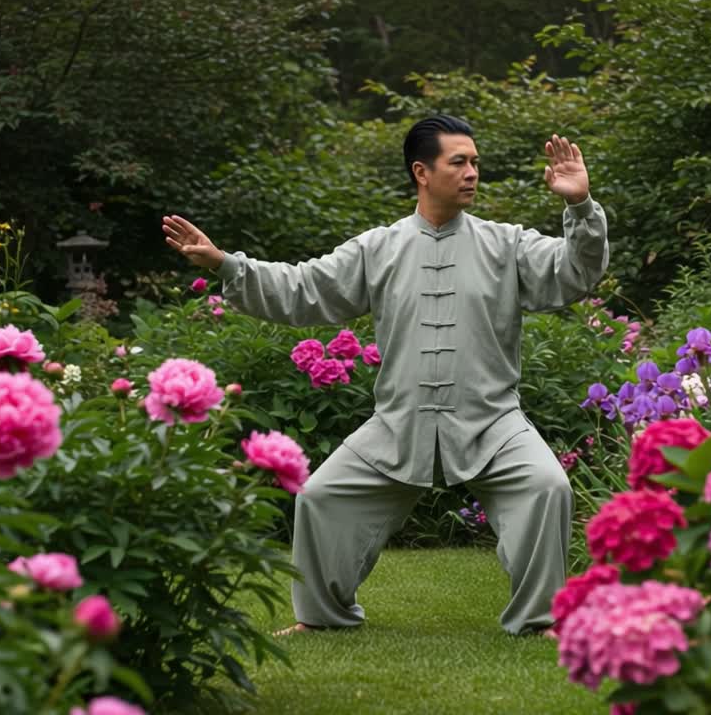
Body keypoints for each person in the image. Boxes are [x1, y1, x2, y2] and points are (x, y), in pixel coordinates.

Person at [163, 115, 608, 636]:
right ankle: (322, 619)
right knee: (320, 496)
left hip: (493, 421)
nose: (472, 173)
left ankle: (539, 620)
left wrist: (578, 206)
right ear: (422, 171)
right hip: (399, 421)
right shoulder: (378, 248)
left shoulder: (505, 245)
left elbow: (574, 272)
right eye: (458, 162)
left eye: (475, 163)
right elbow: (303, 288)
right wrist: (225, 264)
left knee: (546, 486)